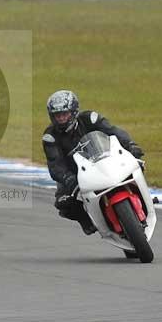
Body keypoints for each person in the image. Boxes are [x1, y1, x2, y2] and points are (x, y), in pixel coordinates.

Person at [41, 90, 145, 235]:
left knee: (136, 165)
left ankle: (144, 197)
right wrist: (68, 179)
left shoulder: (90, 119)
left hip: (105, 160)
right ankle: (87, 220)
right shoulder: (50, 137)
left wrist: (130, 144)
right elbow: (55, 165)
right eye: (58, 116)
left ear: (74, 111)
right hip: (76, 174)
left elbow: (113, 131)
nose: (62, 119)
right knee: (63, 203)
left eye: (65, 114)